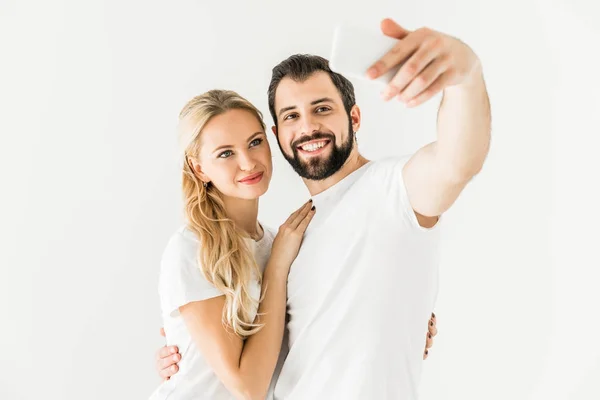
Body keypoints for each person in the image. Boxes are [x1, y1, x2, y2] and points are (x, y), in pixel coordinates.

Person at [157, 18, 490, 399]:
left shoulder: (393, 190)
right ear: (279, 135)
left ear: (354, 117)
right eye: (291, 116)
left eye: (322, 108)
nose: (308, 127)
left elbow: (456, 161)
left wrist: (466, 76)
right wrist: (188, 354)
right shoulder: (287, 238)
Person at [148, 89, 317, 400]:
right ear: (199, 168)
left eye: (255, 142)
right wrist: (277, 269)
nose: (248, 162)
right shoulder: (191, 249)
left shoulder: (278, 243)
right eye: (225, 153)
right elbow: (247, 388)